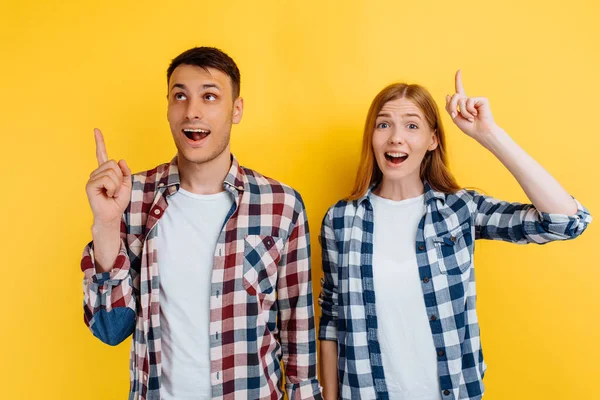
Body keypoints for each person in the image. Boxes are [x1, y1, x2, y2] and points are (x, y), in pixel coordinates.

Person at [318, 70, 592, 400]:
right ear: (372, 136)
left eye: (412, 125)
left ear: (433, 140)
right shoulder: (341, 219)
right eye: (383, 124)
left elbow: (564, 223)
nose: (396, 137)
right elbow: (331, 321)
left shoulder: (459, 210)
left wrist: (490, 134)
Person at [81, 47, 322, 400]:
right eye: (180, 96)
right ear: (167, 107)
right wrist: (105, 223)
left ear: (236, 109)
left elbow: (298, 337)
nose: (192, 111)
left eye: (209, 96)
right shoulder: (131, 198)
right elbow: (111, 328)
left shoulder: (281, 206)